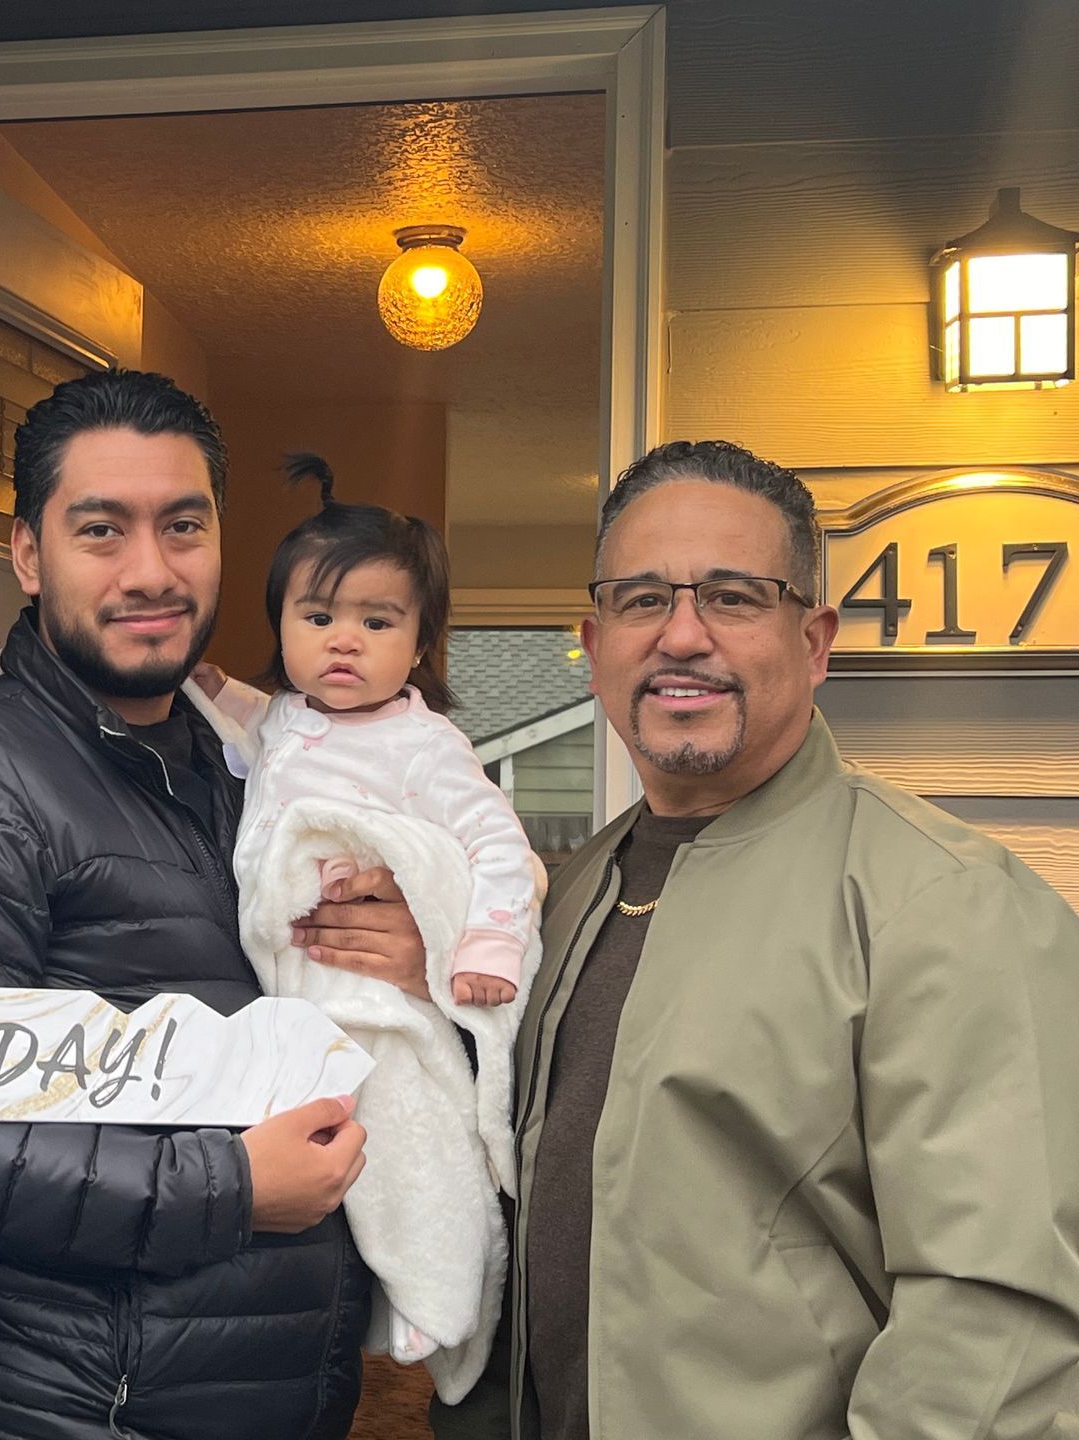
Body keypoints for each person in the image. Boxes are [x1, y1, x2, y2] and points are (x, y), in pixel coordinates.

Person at [0, 370, 437, 1440]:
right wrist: (228, 1187)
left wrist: (409, 954)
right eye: (101, 529)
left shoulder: (256, 767)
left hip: (281, 1395)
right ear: (28, 552)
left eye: (183, 526)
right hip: (83, 1413)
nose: (151, 571)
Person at [431, 439, 1079, 1439]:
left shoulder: (949, 904)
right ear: (594, 644)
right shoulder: (565, 897)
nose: (682, 635)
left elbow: (998, 1333)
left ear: (815, 642)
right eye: (643, 600)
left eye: (732, 597)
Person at [187, 453, 540, 1397]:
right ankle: (394, 1288)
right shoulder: (288, 722)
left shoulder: (425, 745)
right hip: (290, 984)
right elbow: (253, 735)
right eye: (318, 619)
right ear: (285, 628)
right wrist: (208, 689)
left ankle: (440, 1281)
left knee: (406, 1140)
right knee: (312, 1158)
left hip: (376, 996)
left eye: (376, 622)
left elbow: (497, 848)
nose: (345, 643)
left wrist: (486, 943)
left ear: (419, 641)